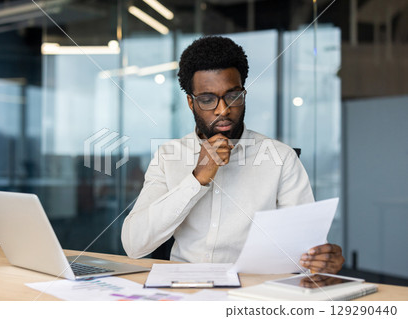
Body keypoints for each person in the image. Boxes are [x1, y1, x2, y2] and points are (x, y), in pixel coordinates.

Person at [121, 36, 344, 274]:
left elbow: (306, 251)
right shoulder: (168, 156)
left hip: (252, 293)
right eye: (207, 100)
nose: (223, 109)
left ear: (244, 94)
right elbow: (134, 245)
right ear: (190, 102)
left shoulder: (281, 158)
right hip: (183, 290)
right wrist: (197, 179)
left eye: (233, 96)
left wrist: (321, 261)